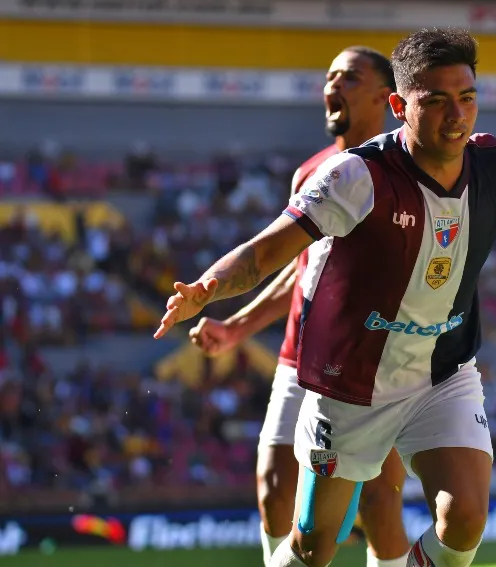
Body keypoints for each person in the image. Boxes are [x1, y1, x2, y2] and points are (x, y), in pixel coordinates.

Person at [153, 28, 496, 567]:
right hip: (351, 382)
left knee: (466, 518)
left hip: (443, 373)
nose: (457, 115)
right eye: (437, 101)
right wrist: (207, 290)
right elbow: (266, 254)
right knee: (312, 547)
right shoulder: (356, 176)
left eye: (467, 98)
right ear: (400, 105)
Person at [186, 47, 410, 567]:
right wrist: (238, 326)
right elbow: (303, 266)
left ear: (385, 96)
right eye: (329, 76)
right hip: (299, 357)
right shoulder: (313, 171)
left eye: (349, 76)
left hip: (373, 363)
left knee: (379, 502)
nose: (333, 84)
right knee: (272, 489)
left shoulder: (405, 172)